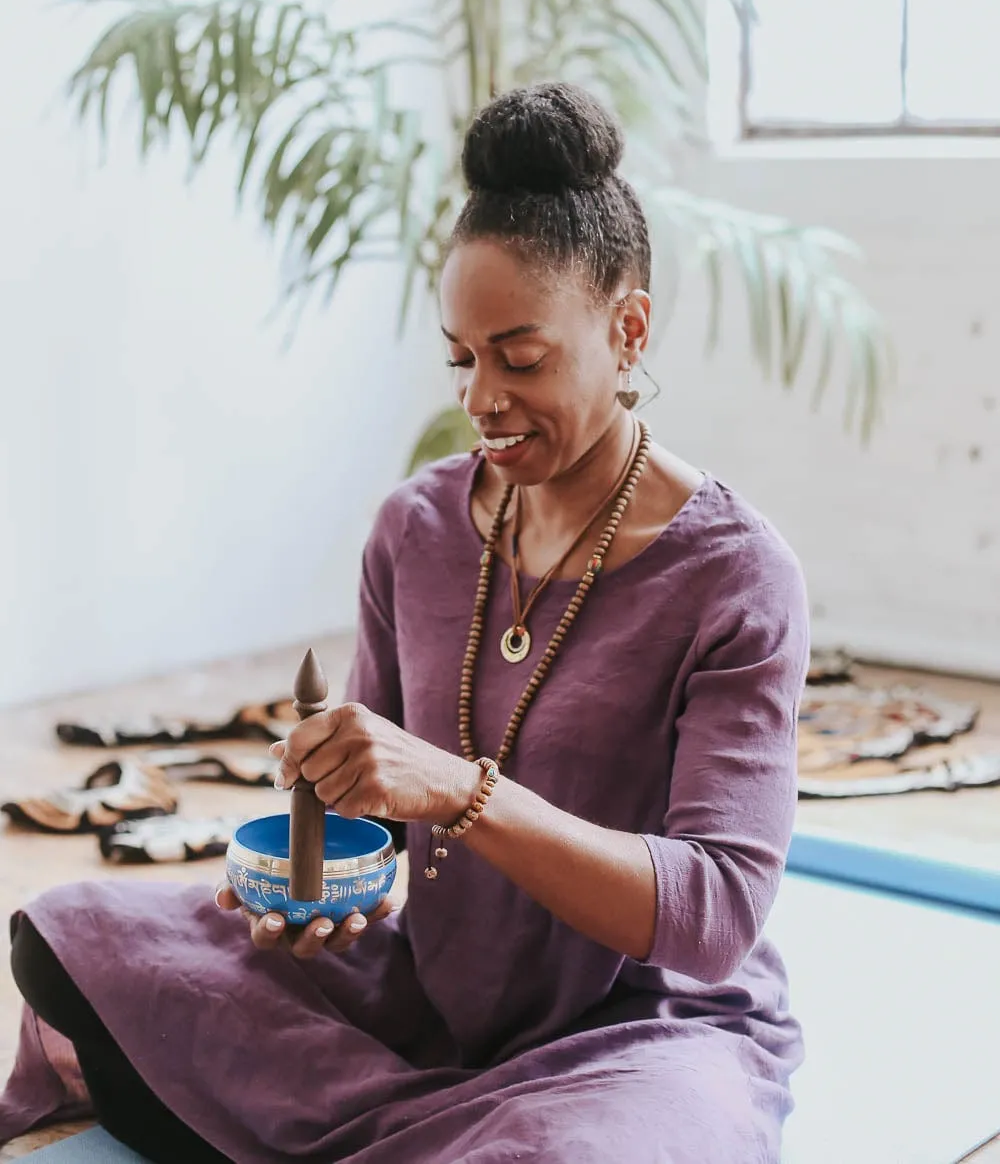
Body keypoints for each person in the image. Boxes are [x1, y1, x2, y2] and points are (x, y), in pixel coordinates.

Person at [1, 81, 809, 1163]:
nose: (480, 398)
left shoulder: (735, 578)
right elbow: (372, 819)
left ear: (627, 330)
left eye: (519, 357)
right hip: (423, 989)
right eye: (459, 359)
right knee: (82, 940)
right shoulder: (418, 526)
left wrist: (461, 792)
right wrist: (321, 886)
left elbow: (713, 915)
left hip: (639, 1032)